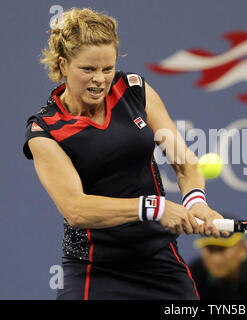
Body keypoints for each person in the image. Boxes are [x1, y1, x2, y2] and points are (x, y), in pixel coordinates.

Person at [22, 7, 223, 300]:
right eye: (88, 69)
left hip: (159, 260)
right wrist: (153, 208)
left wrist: (196, 201)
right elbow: (76, 209)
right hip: (94, 269)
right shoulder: (45, 130)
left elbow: (184, 162)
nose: (100, 80)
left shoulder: (134, 90)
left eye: (107, 68)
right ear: (63, 65)